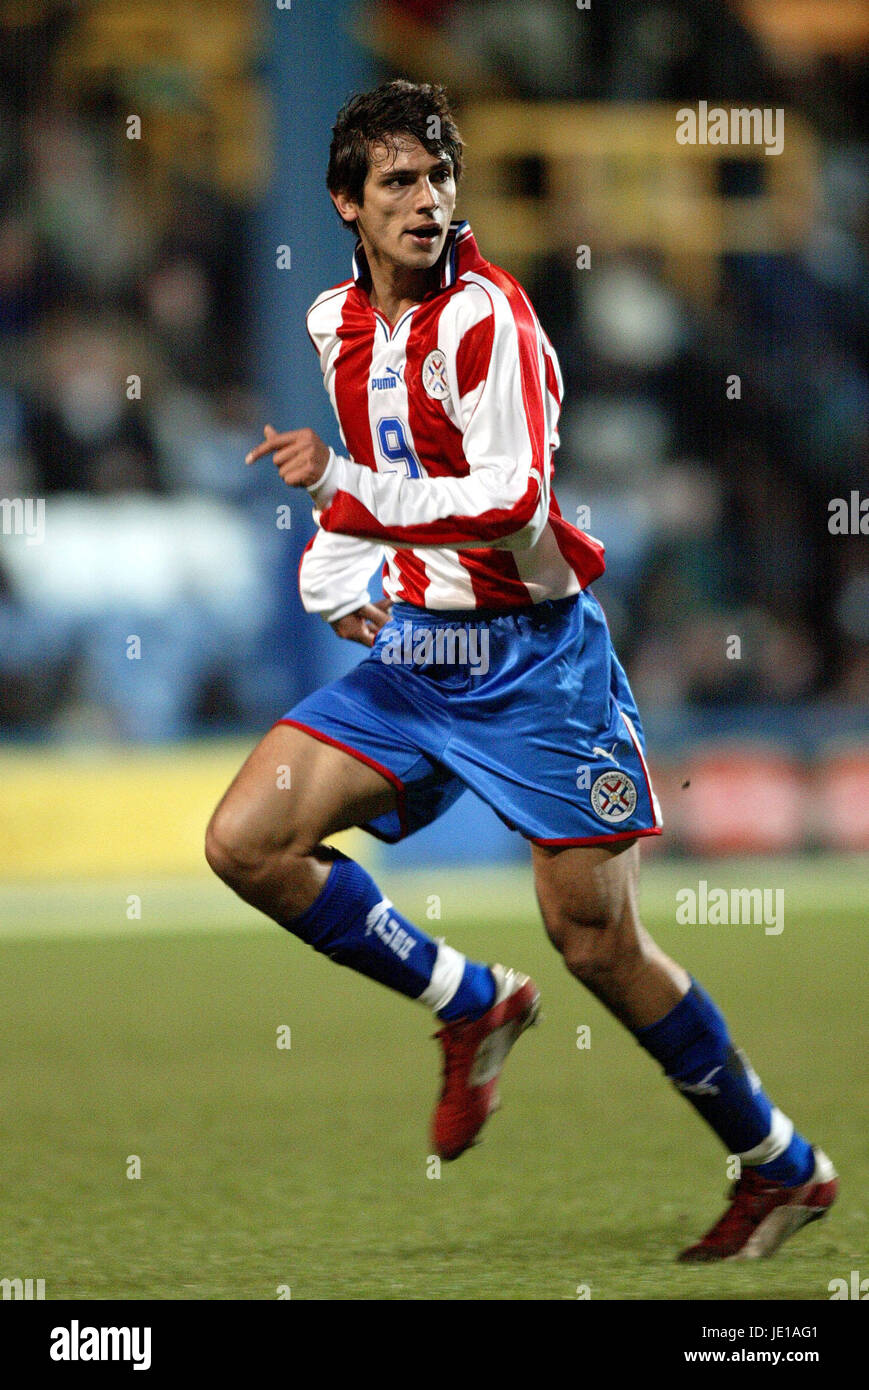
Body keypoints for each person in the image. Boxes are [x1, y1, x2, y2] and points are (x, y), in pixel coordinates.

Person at [206, 79, 836, 1261]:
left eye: (439, 176)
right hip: (416, 659)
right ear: (346, 201)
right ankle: (466, 1000)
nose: (425, 200)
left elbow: (508, 502)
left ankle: (780, 1166)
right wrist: (336, 577)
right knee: (246, 842)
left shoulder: (493, 319)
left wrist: (345, 494)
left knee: (594, 941)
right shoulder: (330, 323)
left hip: (537, 666)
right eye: (397, 181)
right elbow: (365, 478)